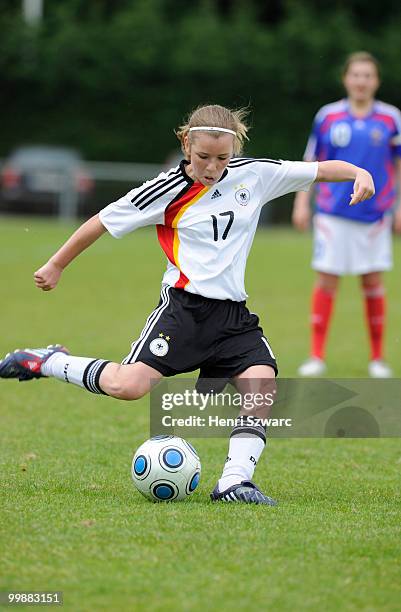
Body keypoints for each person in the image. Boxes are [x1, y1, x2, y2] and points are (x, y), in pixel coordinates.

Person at [0, 104, 375, 505]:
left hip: (233, 316)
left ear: (235, 149)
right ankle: (47, 361)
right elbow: (101, 221)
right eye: (203, 157)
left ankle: (234, 482)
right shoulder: (164, 191)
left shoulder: (256, 174)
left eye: (222, 158)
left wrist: (359, 173)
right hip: (183, 312)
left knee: (262, 385)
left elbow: (319, 169)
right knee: (127, 387)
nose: (213, 167)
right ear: (186, 144)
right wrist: (56, 264)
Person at [292, 52, 401, 378]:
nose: (361, 81)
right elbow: (310, 162)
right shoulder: (328, 116)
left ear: (376, 81)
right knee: (327, 280)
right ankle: (316, 356)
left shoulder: (391, 118)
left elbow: (397, 166)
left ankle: (378, 359)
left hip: (375, 215)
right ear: (346, 79)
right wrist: (301, 203)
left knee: (372, 282)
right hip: (332, 213)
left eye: (368, 75)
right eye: (356, 75)